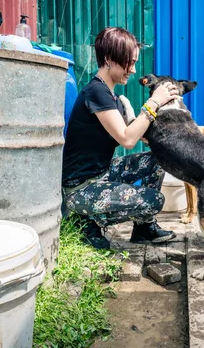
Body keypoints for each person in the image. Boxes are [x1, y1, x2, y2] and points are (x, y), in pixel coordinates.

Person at [62, 27, 180, 249]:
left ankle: (144, 228)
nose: (134, 70)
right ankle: (86, 221)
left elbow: (137, 135)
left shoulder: (111, 97)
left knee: (157, 159)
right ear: (108, 59)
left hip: (102, 174)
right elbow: (127, 140)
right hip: (81, 189)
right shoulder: (96, 92)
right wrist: (154, 102)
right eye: (129, 62)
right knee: (153, 201)